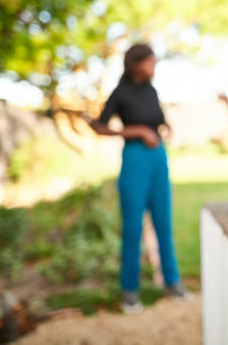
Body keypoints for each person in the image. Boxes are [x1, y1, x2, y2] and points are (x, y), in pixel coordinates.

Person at [93, 43, 193, 314]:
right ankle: (129, 291)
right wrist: (137, 131)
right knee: (133, 228)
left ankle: (172, 283)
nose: (154, 67)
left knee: (164, 224)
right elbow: (99, 126)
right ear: (136, 64)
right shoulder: (120, 92)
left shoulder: (151, 89)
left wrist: (164, 126)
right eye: (151, 62)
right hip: (135, 159)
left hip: (159, 159)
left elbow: (157, 117)